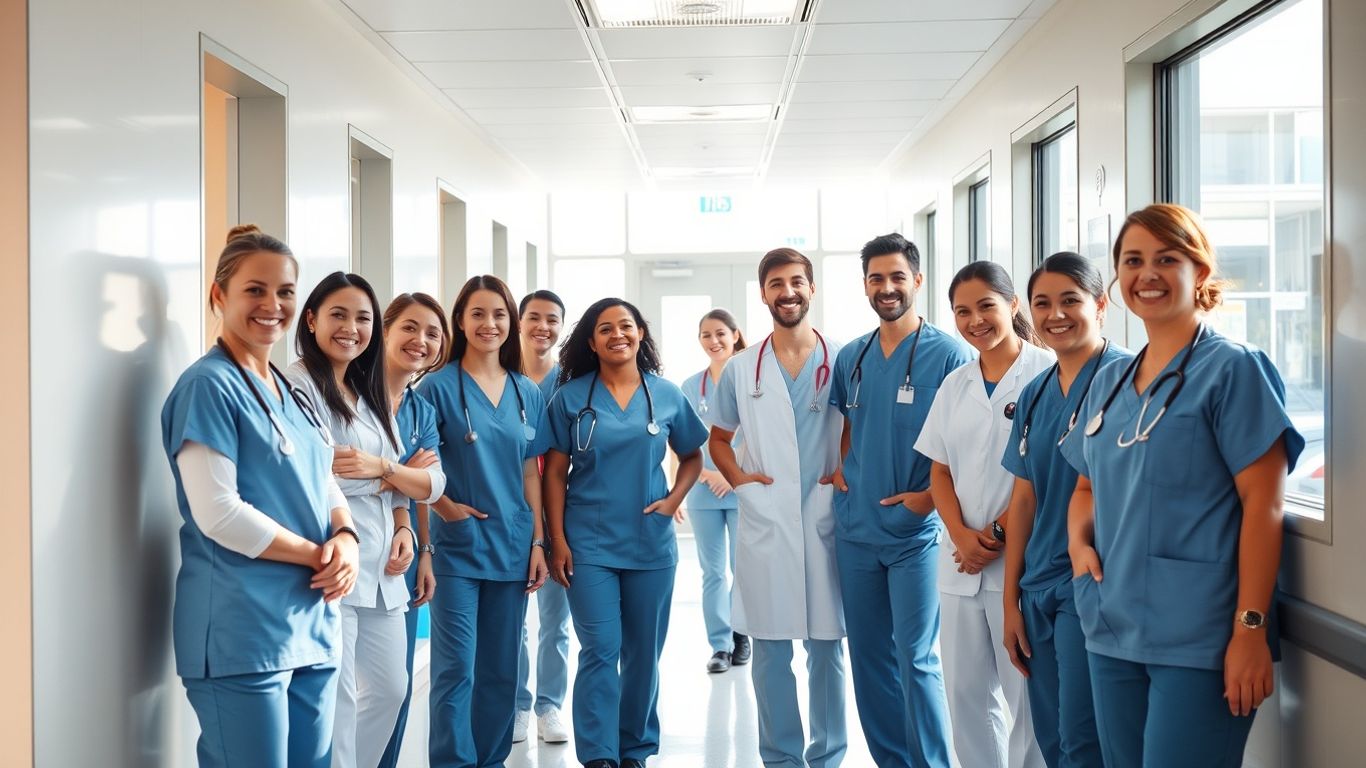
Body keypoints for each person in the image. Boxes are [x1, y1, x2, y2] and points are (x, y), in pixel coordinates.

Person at [1061, 204, 1303, 768]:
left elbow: (1263, 505)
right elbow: (1085, 488)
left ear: (1200, 270)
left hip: (1202, 637)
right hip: (1110, 627)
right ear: (1117, 278)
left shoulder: (1235, 369)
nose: (1147, 274)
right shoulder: (1110, 380)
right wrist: (1079, 549)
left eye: (1166, 259)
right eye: (1133, 260)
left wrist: (1250, 631)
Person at [161, 225, 358, 767]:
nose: (273, 304)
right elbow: (218, 513)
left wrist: (346, 536)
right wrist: (318, 555)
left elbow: (324, 477)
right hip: (241, 631)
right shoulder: (209, 386)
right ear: (219, 295)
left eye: (286, 291)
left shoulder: (295, 388)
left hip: (311, 623)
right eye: (255, 289)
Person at [543, 298, 708, 768]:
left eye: (627, 326)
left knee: (642, 655)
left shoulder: (667, 394)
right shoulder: (571, 397)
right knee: (601, 647)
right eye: (605, 328)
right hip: (587, 544)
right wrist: (556, 539)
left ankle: (633, 748)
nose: (618, 334)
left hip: (650, 543)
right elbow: (554, 472)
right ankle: (598, 754)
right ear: (591, 342)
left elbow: (693, 455)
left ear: (640, 333)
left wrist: (674, 499)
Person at [828, 233, 972, 768]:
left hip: (914, 534)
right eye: (875, 278)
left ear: (917, 279)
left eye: (896, 277)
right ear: (865, 285)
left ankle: (932, 762)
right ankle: (893, 761)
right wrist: (845, 472)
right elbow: (849, 425)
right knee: (869, 659)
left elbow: (965, 441)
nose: (886, 288)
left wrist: (928, 501)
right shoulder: (853, 356)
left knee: (916, 659)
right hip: (857, 530)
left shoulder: (949, 353)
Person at [285, 272, 439, 768]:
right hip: (335, 558)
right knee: (339, 702)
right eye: (338, 314)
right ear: (310, 320)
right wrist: (389, 479)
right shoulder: (298, 383)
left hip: (384, 567)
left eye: (362, 318)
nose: (351, 327)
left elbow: (426, 482)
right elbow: (314, 470)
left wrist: (402, 525)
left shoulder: (367, 387)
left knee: (393, 692)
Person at [709, 248, 848, 768]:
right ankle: (781, 759)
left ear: (812, 288)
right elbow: (720, 438)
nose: (787, 292)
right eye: (775, 283)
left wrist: (842, 474)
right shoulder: (743, 369)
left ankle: (828, 756)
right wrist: (742, 482)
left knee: (828, 649)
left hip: (824, 514)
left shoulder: (843, 358)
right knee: (769, 652)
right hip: (765, 520)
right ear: (763, 292)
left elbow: (854, 425)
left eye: (796, 281)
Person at [914, 261, 1051, 768]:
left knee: (1028, 704)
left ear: (1013, 305)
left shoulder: (1046, 373)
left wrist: (990, 536)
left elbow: (1045, 478)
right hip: (959, 567)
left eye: (987, 306)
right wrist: (960, 535)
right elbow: (939, 471)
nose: (975, 320)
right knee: (967, 701)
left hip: (1022, 566)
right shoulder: (955, 384)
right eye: (962, 311)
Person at [997, 253, 1125, 768]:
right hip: (1037, 588)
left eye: (1070, 300)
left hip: (1091, 582)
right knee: (1050, 737)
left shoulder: (1126, 379)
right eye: (1042, 303)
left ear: (1100, 304)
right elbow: (1023, 498)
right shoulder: (1034, 393)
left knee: (1081, 737)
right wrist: (1010, 602)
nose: (1056, 314)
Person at [419, 275, 552, 768]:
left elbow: (530, 472)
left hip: (513, 546)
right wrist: (432, 535)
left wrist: (539, 541)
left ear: (511, 322)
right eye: (477, 314)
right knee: (455, 669)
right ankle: (453, 761)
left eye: (498, 314)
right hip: (456, 549)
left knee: (500, 670)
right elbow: (419, 470)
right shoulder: (435, 387)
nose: (489, 324)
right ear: (460, 320)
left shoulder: (526, 392)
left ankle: (491, 760)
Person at [378, 292, 451, 768]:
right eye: (409, 327)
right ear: (385, 330)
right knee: (341, 692)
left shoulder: (420, 409)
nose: (420, 341)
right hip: (343, 551)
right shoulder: (347, 392)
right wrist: (403, 470)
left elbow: (431, 485)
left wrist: (425, 550)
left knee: (395, 688)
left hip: (401, 554)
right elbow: (340, 468)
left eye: (431, 333)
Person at [513, 289, 573, 744]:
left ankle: (549, 705)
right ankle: (516, 704)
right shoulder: (500, 377)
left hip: (558, 515)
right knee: (512, 620)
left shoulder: (569, 386)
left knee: (555, 619)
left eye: (552, 320)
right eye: (534, 317)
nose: (543, 327)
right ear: (519, 322)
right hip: (510, 515)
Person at [681, 308, 751, 673]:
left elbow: (759, 435)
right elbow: (682, 439)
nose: (714, 341)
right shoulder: (692, 387)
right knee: (712, 573)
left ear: (736, 335)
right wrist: (707, 474)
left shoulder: (751, 378)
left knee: (743, 568)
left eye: (721, 333)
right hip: (704, 489)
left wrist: (729, 472)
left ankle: (742, 633)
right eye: (706, 335)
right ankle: (720, 646)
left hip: (740, 488)